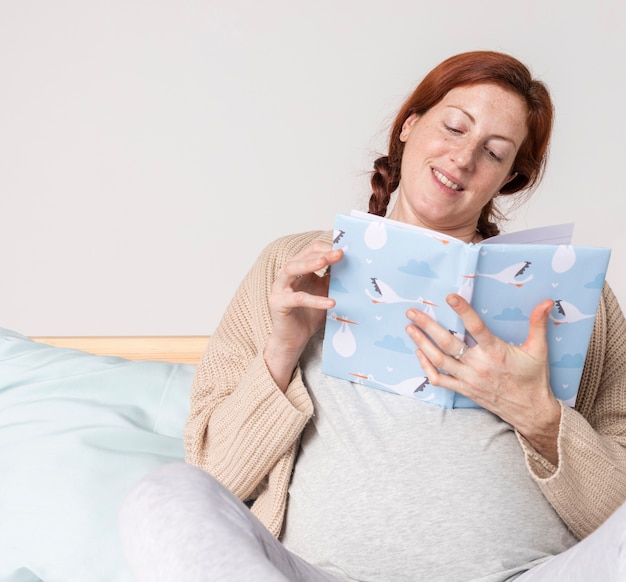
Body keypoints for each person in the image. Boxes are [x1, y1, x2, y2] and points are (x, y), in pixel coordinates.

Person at [119, 51, 626, 581]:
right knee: (164, 496)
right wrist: (283, 349)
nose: (463, 158)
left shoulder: (570, 294)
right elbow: (213, 474)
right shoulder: (291, 266)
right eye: (454, 127)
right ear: (409, 125)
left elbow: (616, 507)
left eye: (494, 153)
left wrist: (538, 416)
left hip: (531, 574)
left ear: (507, 179)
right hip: (319, 575)